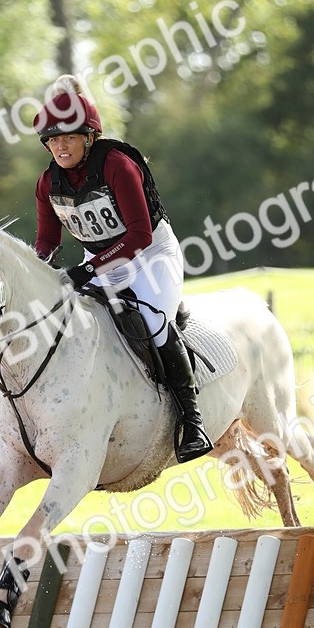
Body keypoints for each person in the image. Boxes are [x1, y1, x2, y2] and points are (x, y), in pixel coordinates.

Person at [32, 75, 212, 463]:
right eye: (53, 140)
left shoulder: (117, 165)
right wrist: (33, 270)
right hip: (100, 260)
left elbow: (139, 235)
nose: (61, 147)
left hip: (150, 255)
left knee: (154, 323)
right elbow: (46, 241)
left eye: (69, 138)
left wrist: (88, 270)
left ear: (89, 138)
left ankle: (193, 422)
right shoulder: (48, 183)